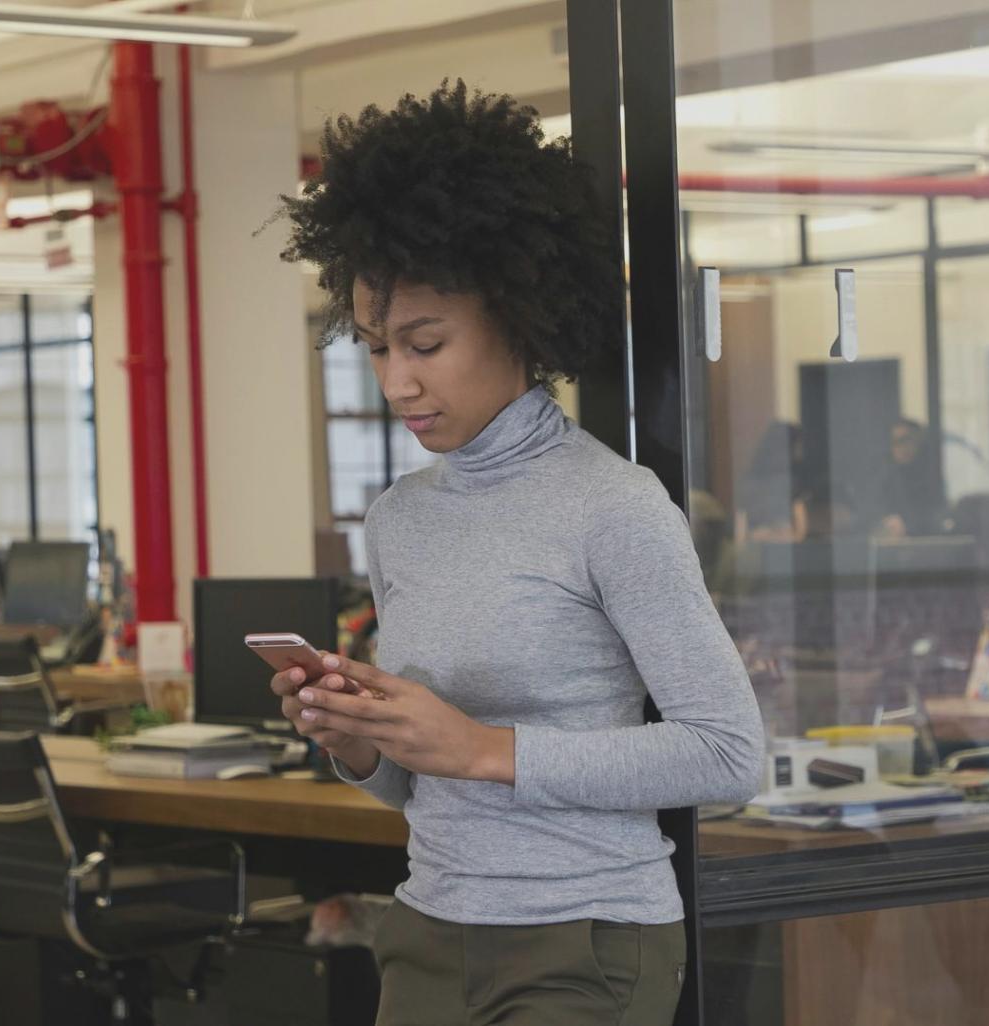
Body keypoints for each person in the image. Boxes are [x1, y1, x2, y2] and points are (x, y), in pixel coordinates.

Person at [268, 81, 764, 1026]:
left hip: (586, 944)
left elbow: (726, 753)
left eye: (425, 342)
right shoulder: (399, 520)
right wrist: (358, 743)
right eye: (374, 349)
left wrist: (487, 748)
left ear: (517, 316)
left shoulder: (614, 507)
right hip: (425, 931)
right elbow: (419, 784)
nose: (397, 381)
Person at [876, 419, 947, 537]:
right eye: (896, 442)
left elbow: (937, 516)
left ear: (918, 443)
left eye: (907, 440)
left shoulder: (930, 477)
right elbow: (872, 513)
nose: (901, 447)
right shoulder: (883, 478)